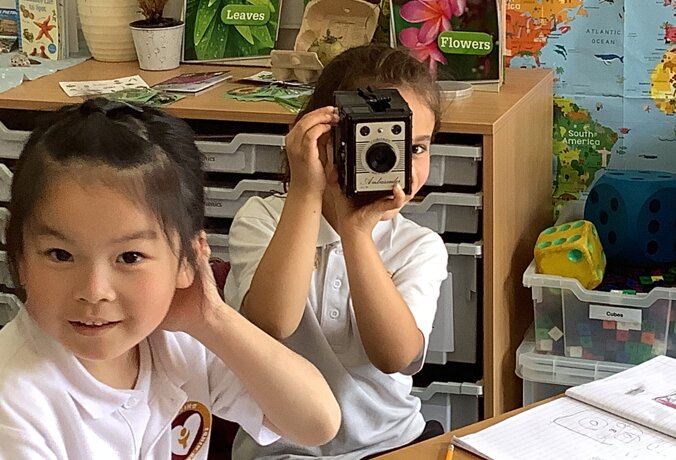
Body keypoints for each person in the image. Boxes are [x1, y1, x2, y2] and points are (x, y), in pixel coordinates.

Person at [0, 98, 341, 459]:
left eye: (129, 257)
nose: (94, 291)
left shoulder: (176, 338)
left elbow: (316, 423)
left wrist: (213, 319)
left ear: (187, 260)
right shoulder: (15, 404)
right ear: (19, 255)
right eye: (60, 255)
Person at [225, 44, 449, 459]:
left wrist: (356, 232)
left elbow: (395, 357)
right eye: (375, 141)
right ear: (326, 141)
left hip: (390, 444)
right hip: (281, 450)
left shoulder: (418, 246)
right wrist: (306, 187)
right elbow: (273, 325)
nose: (393, 162)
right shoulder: (262, 219)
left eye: (416, 147)